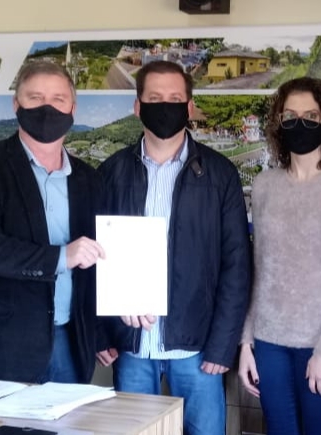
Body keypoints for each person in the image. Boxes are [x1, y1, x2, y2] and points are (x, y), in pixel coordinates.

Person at [96, 60, 251, 435]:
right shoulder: (110, 172)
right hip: (132, 346)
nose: (164, 106)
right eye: (154, 98)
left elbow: (236, 265)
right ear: (138, 107)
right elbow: (93, 256)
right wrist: (100, 333)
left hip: (197, 349)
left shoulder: (220, 174)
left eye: (174, 98)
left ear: (190, 107)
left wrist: (223, 345)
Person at [0, 61, 105, 384]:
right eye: (35, 98)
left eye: (58, 99)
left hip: (71, 341)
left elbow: (99, 256)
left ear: (72, 108)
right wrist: (61, 257)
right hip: (0, 346)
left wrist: (110, 324)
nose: (47, 108)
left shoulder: (89, 178)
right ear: (16, 105)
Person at [237, 77, 321, 435]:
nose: (300, 124)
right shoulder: (265, 185)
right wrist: (246, 342)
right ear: (278, 122)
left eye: (311, 116)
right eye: (290, 116)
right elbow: (258, 270)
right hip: (269, 343)